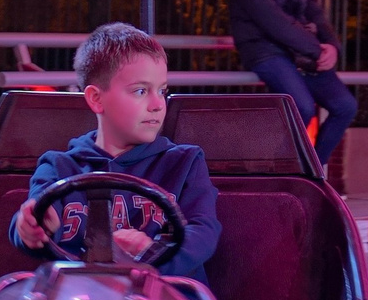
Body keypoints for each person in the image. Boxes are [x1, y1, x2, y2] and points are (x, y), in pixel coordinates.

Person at [14, 22, 221, 284]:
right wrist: (32, 227)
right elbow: (36, 219)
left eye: (162, 91)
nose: (158, 105)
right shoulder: (58, 167)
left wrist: (152, 254)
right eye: (141, 91)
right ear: (96, 99)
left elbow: (203, 231)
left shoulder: (184, 162)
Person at [231, 0, 357, 183]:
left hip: (300, 53)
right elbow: (270, 19)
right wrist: (315, 49)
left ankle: (309, 175)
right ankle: (267, 175)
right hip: (266, 49)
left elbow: (316, 14)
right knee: (302, 106)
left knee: (345, 106)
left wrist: (332, 47)